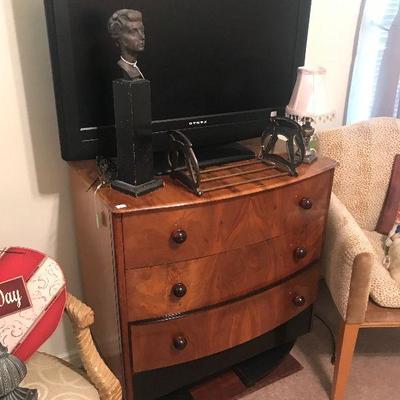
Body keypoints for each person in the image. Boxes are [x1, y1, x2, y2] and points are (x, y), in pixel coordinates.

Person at [108, 9, 145, 80]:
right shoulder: (126, 68)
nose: (142, 36)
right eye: (133, 32)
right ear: (119, 38)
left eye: (142, 30)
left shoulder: (135, 66)